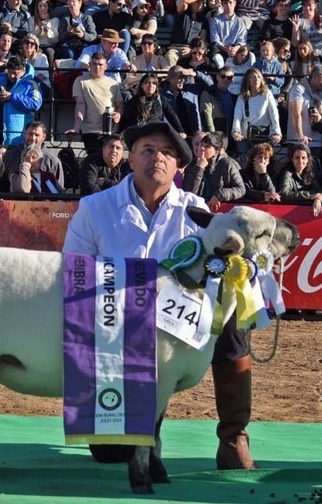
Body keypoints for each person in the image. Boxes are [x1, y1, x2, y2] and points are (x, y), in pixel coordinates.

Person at [65, 121, 260, 470]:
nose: (158, 158)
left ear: (178, 166)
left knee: (231, 312)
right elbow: (75, 273)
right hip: (116, 328)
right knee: (111, 455)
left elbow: (216, 271)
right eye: (148, 150)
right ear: (130, 159)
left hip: (177, 327)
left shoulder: (197, 210)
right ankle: (136, 424)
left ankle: (234, 436)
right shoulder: (94, 208)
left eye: (167, 153)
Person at [183, 131, 246, 210]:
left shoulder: (226, 164)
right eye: (200, 145)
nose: (202, 148)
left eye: (207, 146)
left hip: (221, 210)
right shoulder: (191, 165)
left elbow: (241, 189)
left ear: (216, 152)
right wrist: (199, 168)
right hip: (198, 210)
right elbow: (189, 194)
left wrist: (219, 195)